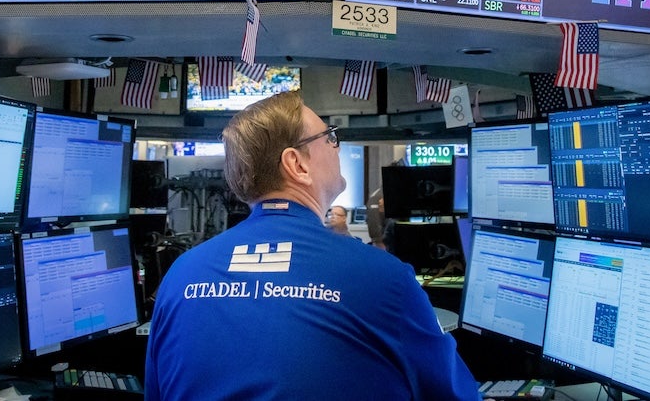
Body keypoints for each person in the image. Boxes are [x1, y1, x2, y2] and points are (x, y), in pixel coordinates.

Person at [145, 91, 480, 400]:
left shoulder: (180, 276)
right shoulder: (385, 279)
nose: (336, 146)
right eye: (329, 136)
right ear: (297, 164)